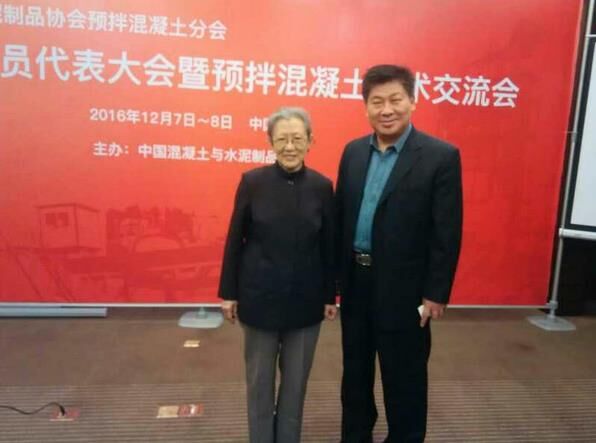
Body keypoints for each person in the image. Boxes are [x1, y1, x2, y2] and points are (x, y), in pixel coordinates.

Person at [335, 64, 463, 442]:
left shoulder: (440, 156)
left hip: (406, 292)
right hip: (356, 284)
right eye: (377, 102)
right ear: (366, 107)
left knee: (404, 379)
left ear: (412, 101)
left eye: (395, 99)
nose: (386, 109)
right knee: (355, 375)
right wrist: (335, 282)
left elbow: (446, 231)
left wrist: (436, 293)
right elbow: (342, 216)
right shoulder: (353, 152)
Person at [218, 107, 337, 443]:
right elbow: (235, 239)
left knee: (295, 385)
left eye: (297, 138)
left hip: (306, 302)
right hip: (259, 298)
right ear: (270, 142)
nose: (289, 146)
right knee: (259, 383)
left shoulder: (322, 187)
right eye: (282, 139)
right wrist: (229, 293)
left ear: (310, 141)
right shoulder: (252, 182)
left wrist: (330, 295)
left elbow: (329, 245)